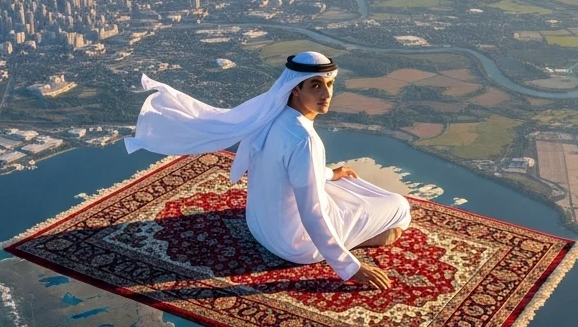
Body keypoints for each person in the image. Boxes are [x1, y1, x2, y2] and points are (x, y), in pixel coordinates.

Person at [125, 50, 410, 290]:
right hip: (295, 245)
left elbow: (284, 173)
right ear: (295, 88)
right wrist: (351, 268)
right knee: (398, 207)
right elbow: (312, 213)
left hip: (259, 226)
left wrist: (329, 173)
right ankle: (362, 239)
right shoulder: (305, 139)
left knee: (343, 182)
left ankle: (351, 218)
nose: (326, 94)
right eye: (315, 85)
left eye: (330, 84)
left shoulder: (270, 117)